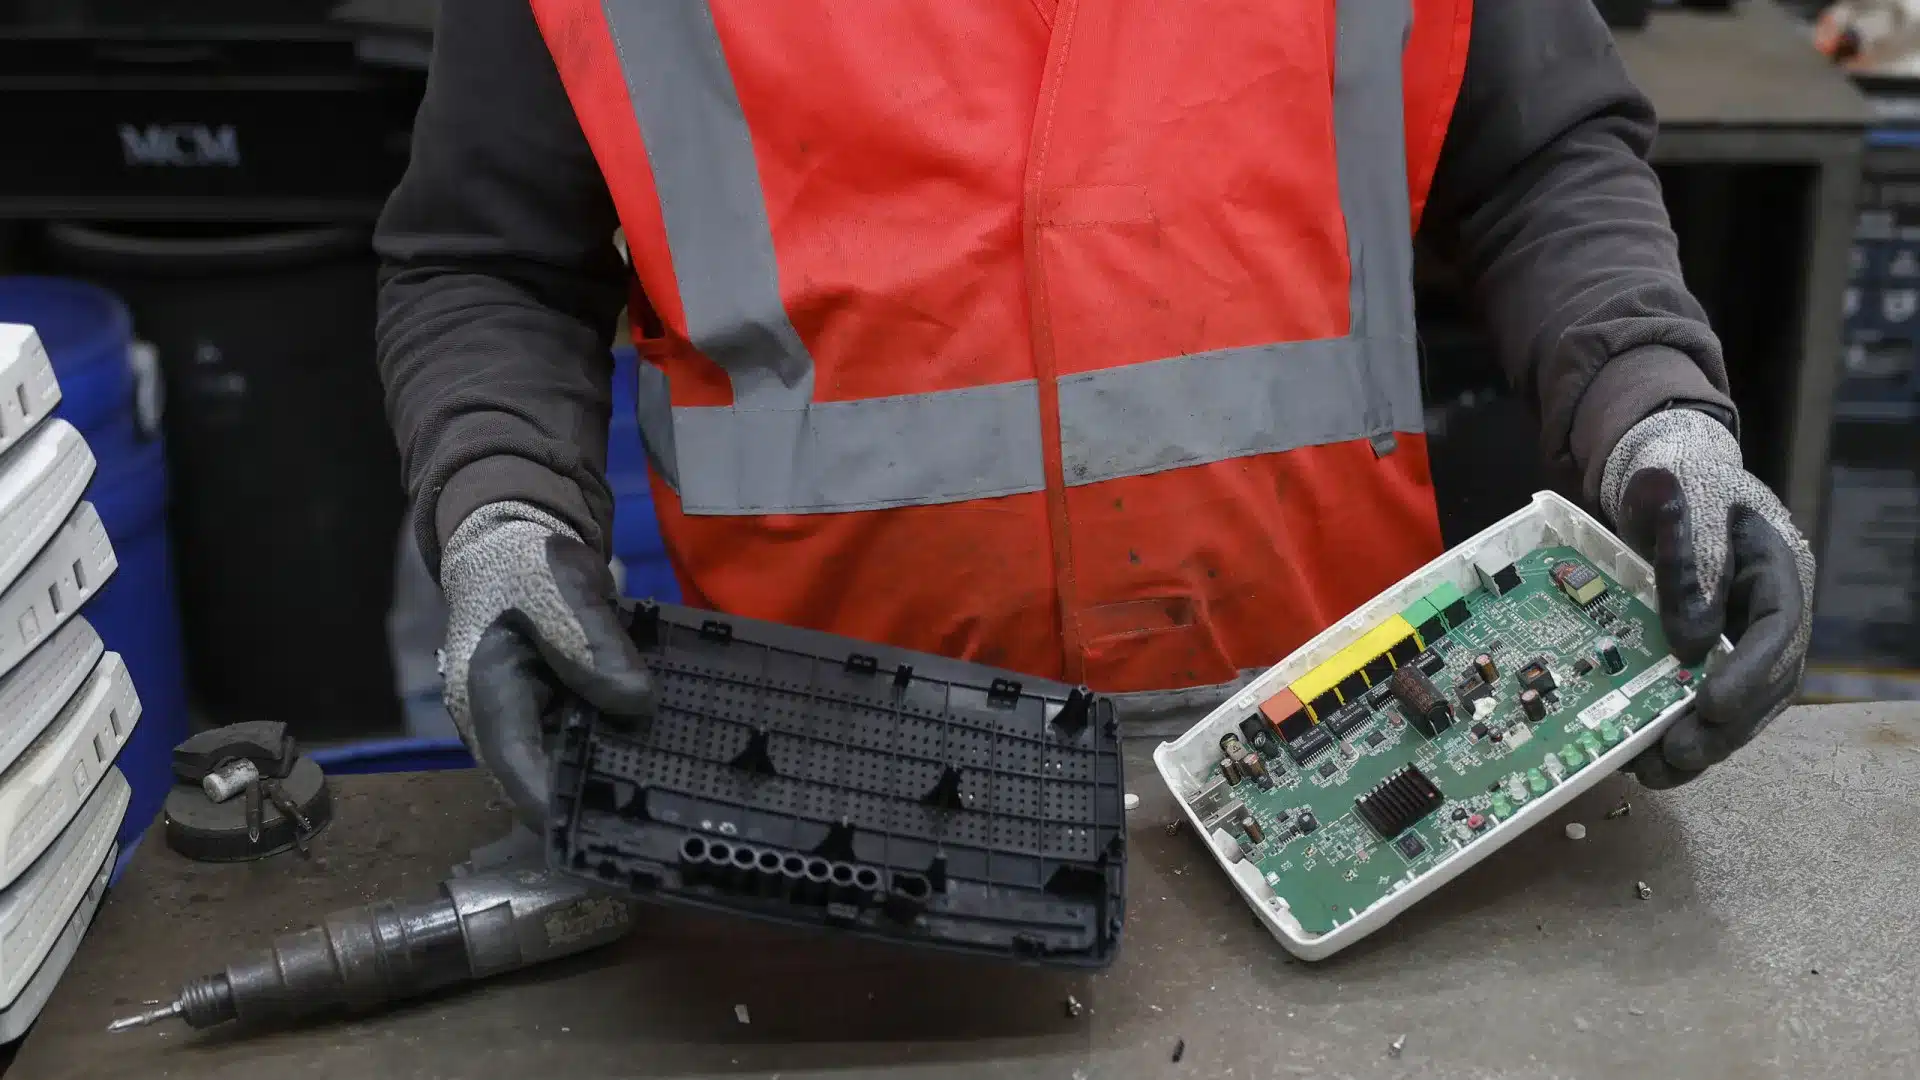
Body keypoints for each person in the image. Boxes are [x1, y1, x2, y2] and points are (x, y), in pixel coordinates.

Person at [376, 0, 1815, 827]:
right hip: (829, 796)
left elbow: (1541, 159)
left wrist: (1657, 415)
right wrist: (503, 511)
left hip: (1338, 763)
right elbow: (492, 258)